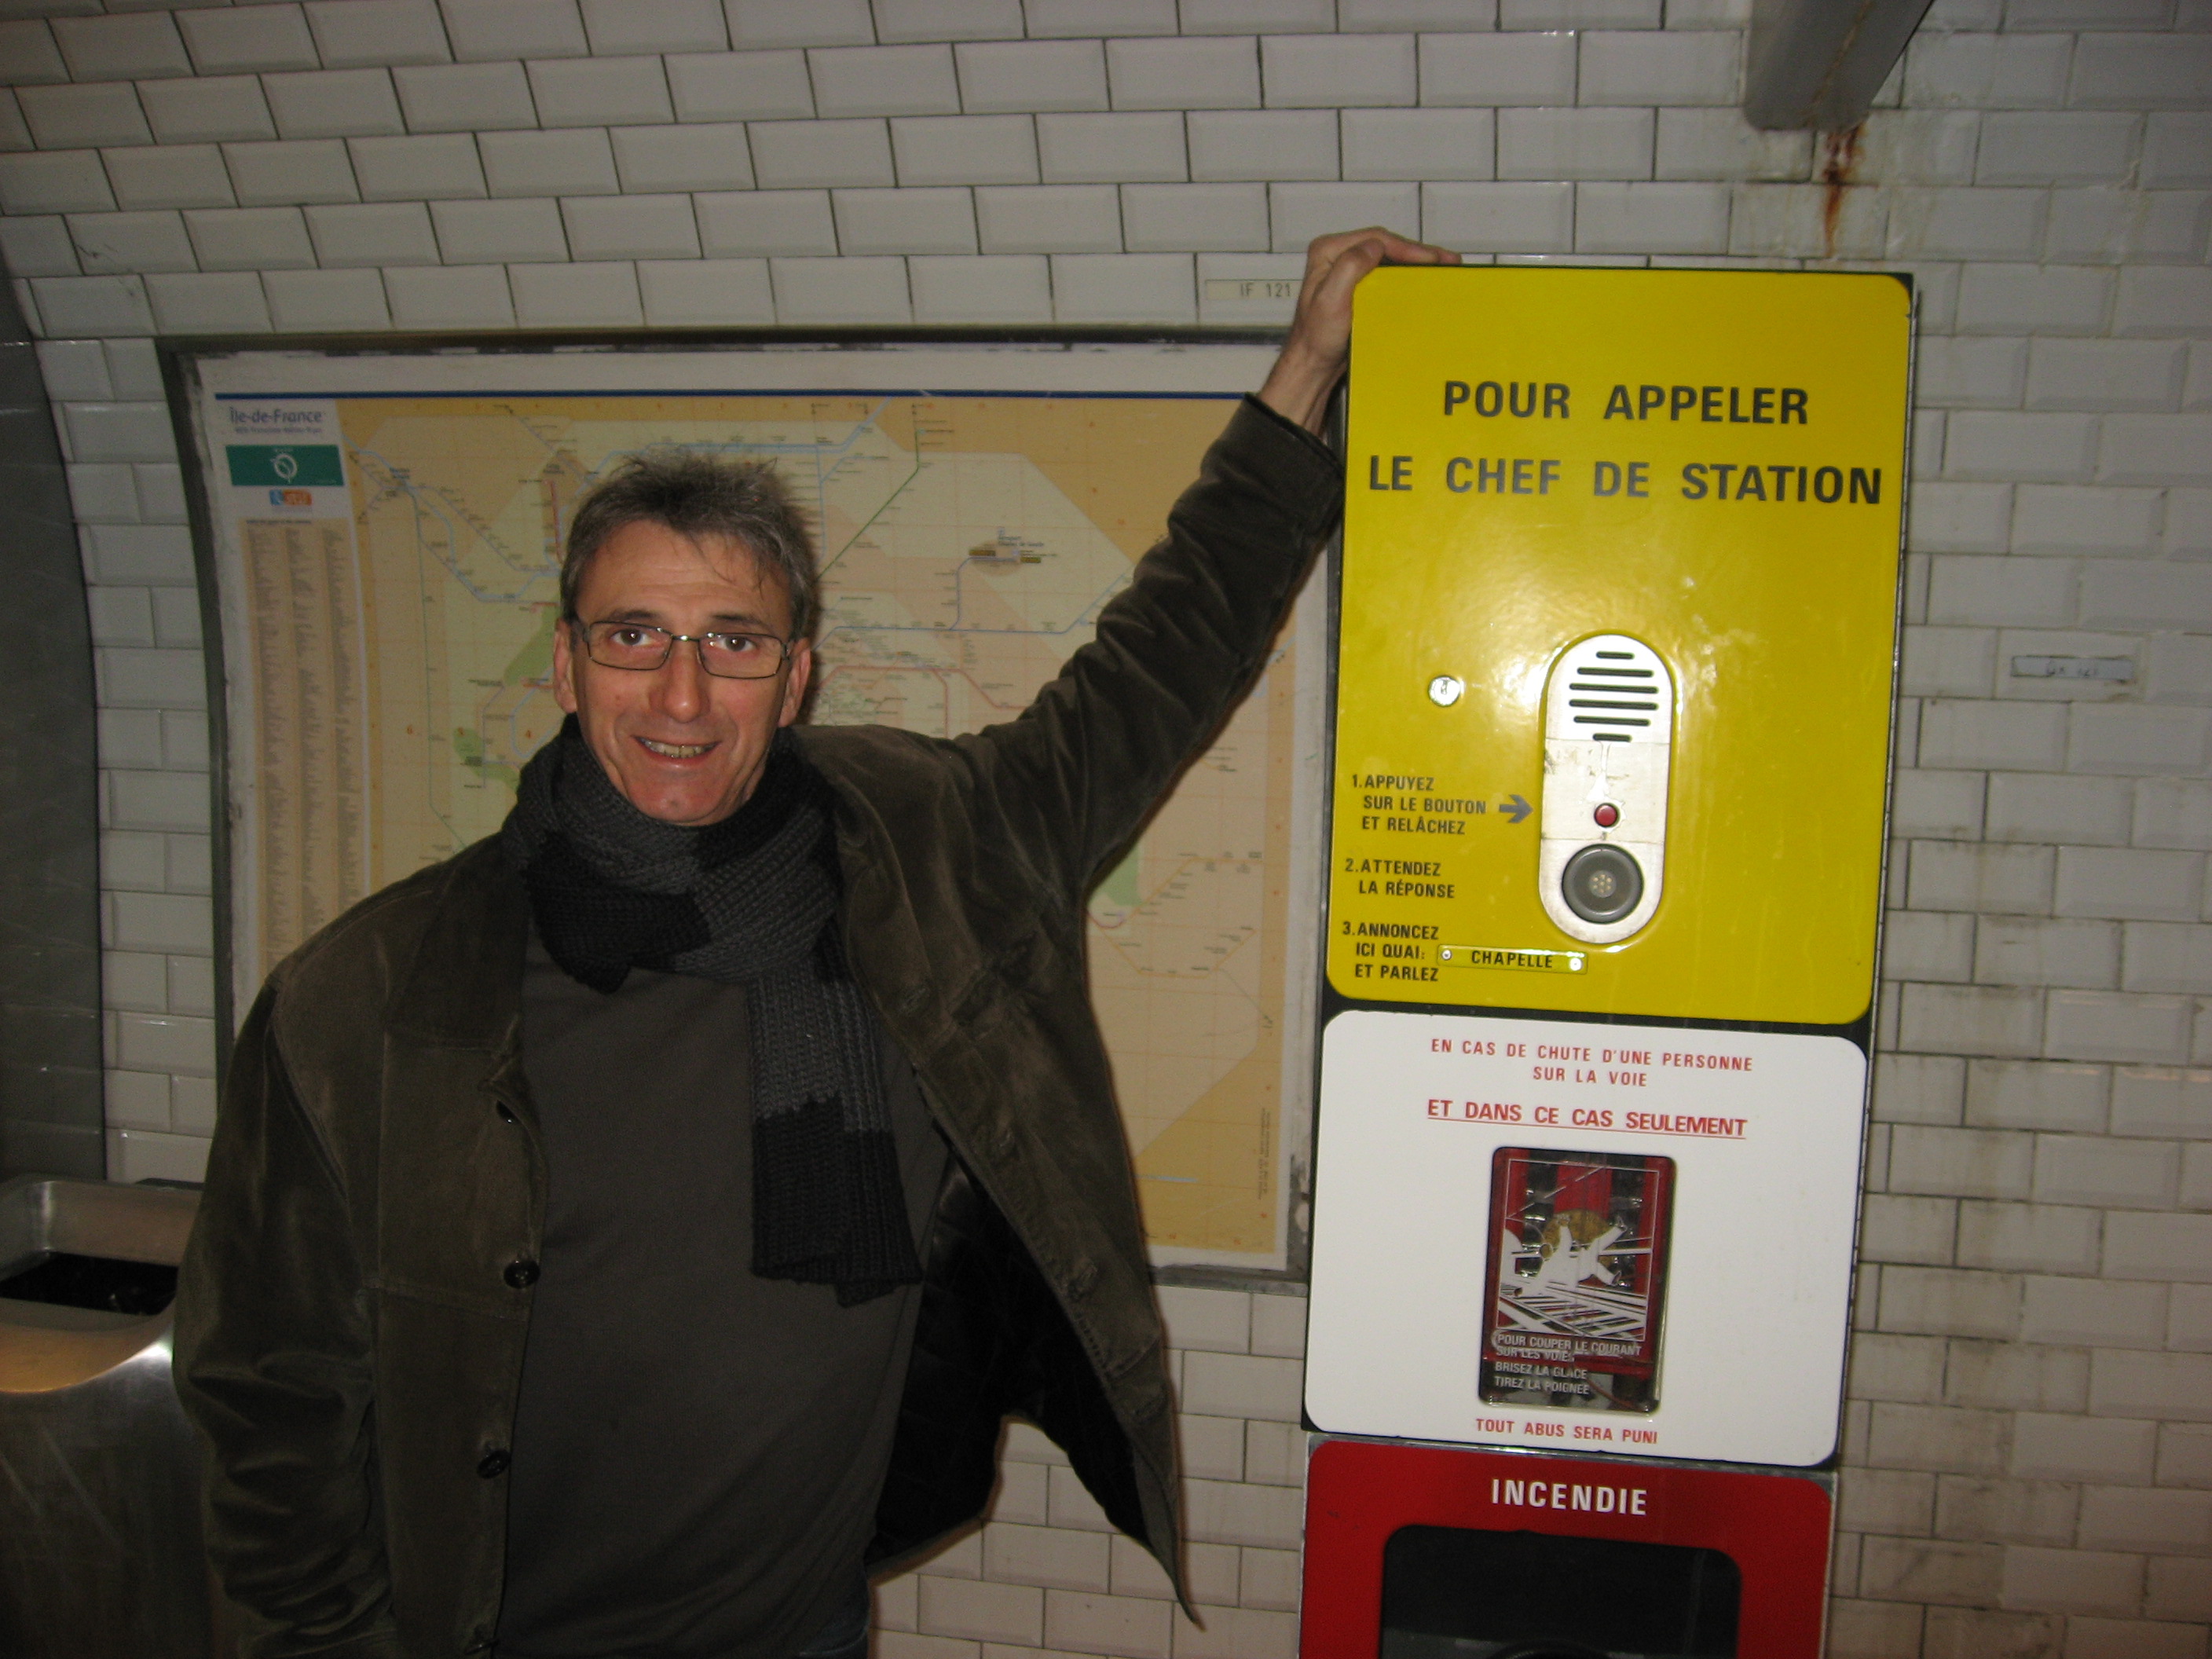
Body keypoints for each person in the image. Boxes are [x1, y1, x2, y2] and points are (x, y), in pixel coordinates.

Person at [174, 227, 1459, 1659]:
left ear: (796, 678)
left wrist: (1306, 371)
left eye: (733, 641)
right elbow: (269, 1399)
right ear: (566, 664)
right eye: (633, 636)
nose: (681, 694)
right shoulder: (364, 1002)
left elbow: (1161, 661)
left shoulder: (931, 851)